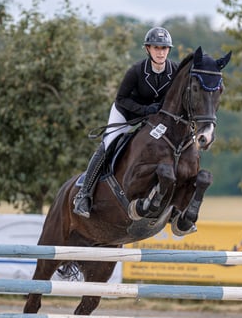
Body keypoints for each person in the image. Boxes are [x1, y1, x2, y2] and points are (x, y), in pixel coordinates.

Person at [73, 26, 179, 218]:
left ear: (168, 50)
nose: (160, 52)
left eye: (164, 48)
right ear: (148, 49)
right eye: (156, 48)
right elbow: (121, 99)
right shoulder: (136, 71)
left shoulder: (175, 71)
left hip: (153, 121)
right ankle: (84, 195)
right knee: (108, 145)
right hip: (127, 114)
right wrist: (145, 110)